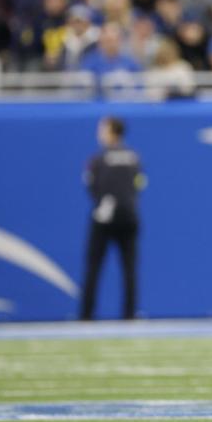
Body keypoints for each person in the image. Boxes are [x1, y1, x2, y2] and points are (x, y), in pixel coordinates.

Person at [80, 116, 147, 320]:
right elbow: (140, 183)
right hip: (129, 216)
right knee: (129, 268)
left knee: (94, 266)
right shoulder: (134, 157)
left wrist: (106, 204)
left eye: (102, 129)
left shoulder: (99, 159)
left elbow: (92, 185)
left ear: (112, 131)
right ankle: (130, 314)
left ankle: (86, 315)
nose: (99, 133)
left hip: (104, 218)